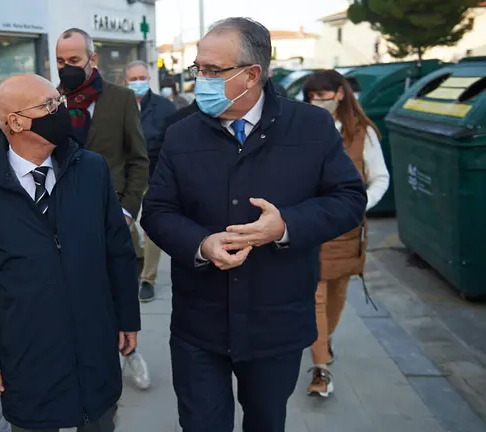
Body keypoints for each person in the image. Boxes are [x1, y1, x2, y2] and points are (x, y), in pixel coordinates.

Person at [140, 18, 367, 432]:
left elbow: (349, 200)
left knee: (266, 422)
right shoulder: (181, 133)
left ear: (252, 75)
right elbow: (157, 211)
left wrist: (284, 227)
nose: (200, 79)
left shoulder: (311, 127)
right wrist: (201, 243)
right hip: (199, 324)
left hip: (276, 322)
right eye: (198, 69)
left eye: (212, 71)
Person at [0, 74, 140, 432]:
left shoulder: (92, 169)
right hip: (26, 353)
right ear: (15, 122)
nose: (60, 110)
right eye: (48, 105)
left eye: (58, 100)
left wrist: (127, 317)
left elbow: (118, 251)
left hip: (94, 344)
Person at [56, 27, 151, 390]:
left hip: (113, 214)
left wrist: (127, 210)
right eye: (61, 61)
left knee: (119, 285)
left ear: (92, 60)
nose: (67, 68)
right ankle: (86, 360)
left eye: (74, 61)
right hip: (65, 216)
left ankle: (130, 351)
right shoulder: (52, 100)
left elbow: (138, 159)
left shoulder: (121, 100)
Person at [302, 69, 390, 397]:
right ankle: (321, 368)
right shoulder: (304, 129)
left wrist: (359, 205)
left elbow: (379, 177)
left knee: (336, 297)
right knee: (315, 297)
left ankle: (324, 340)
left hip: (346, 231)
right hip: (312, 227)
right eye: (311, 97)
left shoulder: (361, 133)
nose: (316, 102)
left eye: (322, 96)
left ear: (340, 94)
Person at [125, 60, 176, 303]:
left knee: (151, 225)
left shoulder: (164, 108)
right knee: (124, 222)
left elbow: (173, 144)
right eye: (133, 79)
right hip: (125, 175)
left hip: (155, 175)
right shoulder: (118, 106)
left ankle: (148, 278)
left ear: (149, 78)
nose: (138, 83)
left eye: (141, 77)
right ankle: (138, 256)